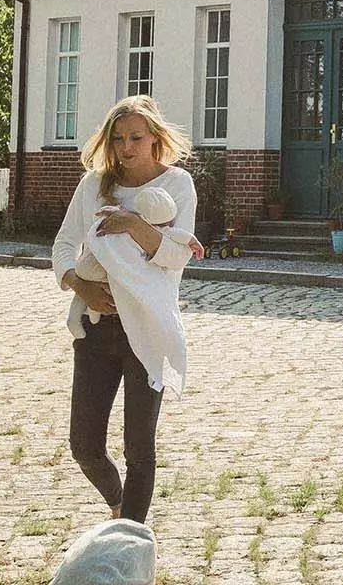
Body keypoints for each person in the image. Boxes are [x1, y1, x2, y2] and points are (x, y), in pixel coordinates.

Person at [51, 96, 199, 523]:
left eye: (136, 137)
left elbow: (176, 256)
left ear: (155, 138)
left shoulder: (177, 186)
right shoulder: (94, 186)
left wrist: (133, 224)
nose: (126, 148)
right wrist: (80, 285)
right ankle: (119, 506)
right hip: (97, 330)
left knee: (139, 449)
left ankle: (132, 538)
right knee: (85, 446)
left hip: (148, 331)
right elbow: (63, 245)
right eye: (118, 140)